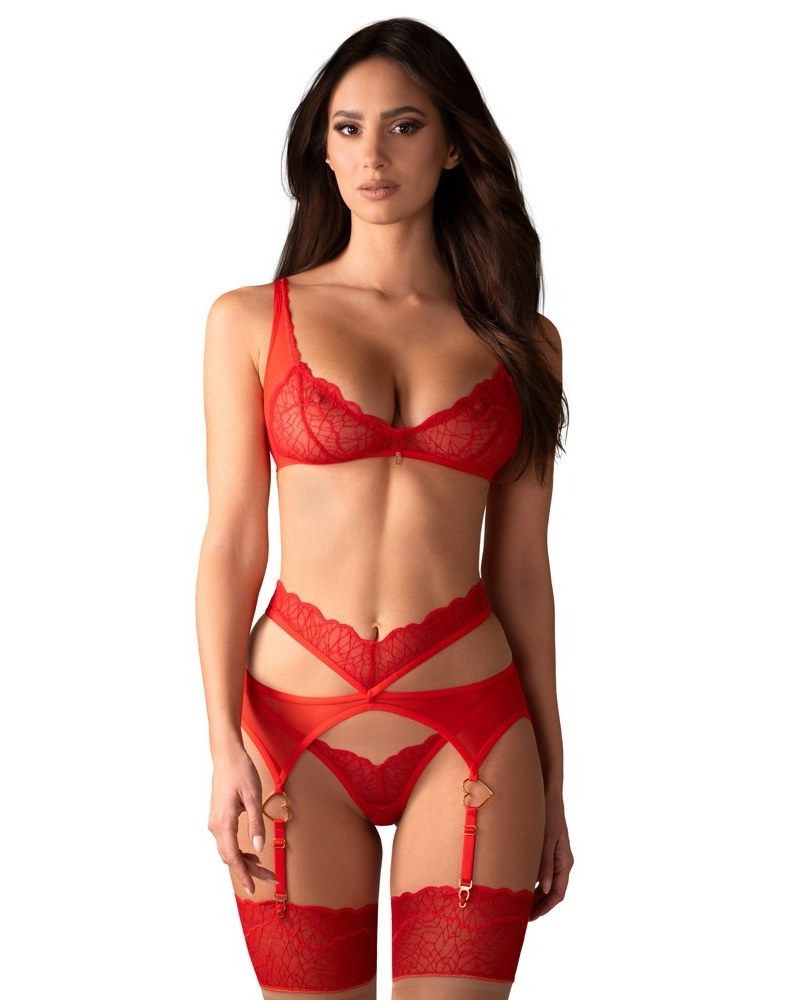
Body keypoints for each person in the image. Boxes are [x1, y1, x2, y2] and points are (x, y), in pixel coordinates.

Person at [196, 17, 573, 999]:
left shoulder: (522, 341)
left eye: (405, 126)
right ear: (321, 149)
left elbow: (522, 570)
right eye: (349, 127)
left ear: (451, 147)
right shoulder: (250, 320)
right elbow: (231, 542)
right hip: (288, 730)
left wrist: (556, 774)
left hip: (476, 731)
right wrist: (219, 742)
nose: (373, 154)